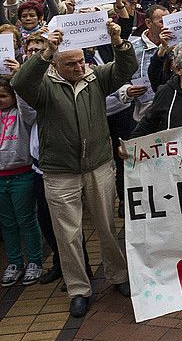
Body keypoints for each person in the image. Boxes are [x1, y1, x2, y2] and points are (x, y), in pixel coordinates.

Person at [11, 21, 136, 318]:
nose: (80, 66)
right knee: (68, 235)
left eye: (82, 60)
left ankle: (118, 276)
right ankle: (79, 289)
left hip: (98, 165)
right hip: (59, 171)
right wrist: (44, 53)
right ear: (55, 64)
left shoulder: (95, 78)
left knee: (106, 225)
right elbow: (20, 83)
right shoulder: (43, 86)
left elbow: (124, 69)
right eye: (71, 63)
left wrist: (119, 42)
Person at [0, 76, 42, 286]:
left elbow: (28, 108)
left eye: (3, 96)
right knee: (7, 223)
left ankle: (35, 260)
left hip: (22, 175)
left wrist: (18, 85)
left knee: (26, 220)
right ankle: (14, 262)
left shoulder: (22, 115)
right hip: (1, 178)